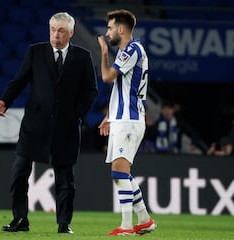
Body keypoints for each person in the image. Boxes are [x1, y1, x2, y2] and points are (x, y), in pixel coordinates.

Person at [0, 12, 98, 234]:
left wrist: (77, 114)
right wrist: (4, 100)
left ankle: (63, 224)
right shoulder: (35, 51)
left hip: (66, 127)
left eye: (61, 30)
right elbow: (20, 80)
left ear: (70, 33)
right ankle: (20, 219)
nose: (56, 35)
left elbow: (91, 91)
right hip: (34, 124)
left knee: (65, 179)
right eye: (52, 29)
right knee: (20, 172)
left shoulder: (82, 56)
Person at [97, 9, 156, 236]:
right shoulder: (132, 51)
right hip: (124, 118)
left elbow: (107, 77)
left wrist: (103, 54)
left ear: (121, 30)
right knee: (122, 174)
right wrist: (110, 115)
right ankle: (144, 220)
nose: (107, 32)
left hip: (129, 119)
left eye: (110, 28)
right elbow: (122, 88)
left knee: (119, 173)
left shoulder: (131, 49)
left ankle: (127, 226)